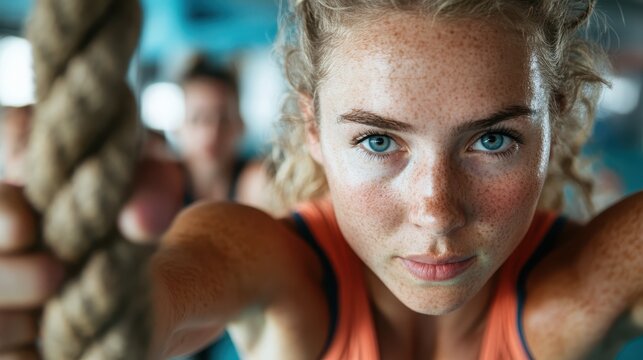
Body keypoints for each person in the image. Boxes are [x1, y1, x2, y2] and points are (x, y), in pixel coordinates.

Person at [1, 0, 643, 359]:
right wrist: (72, 291)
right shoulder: (280, 271)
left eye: (492, 139)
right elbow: (170, 291)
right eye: (379, 140)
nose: (436, 212)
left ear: (555, 118)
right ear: (313, 125)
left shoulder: (587, 285)